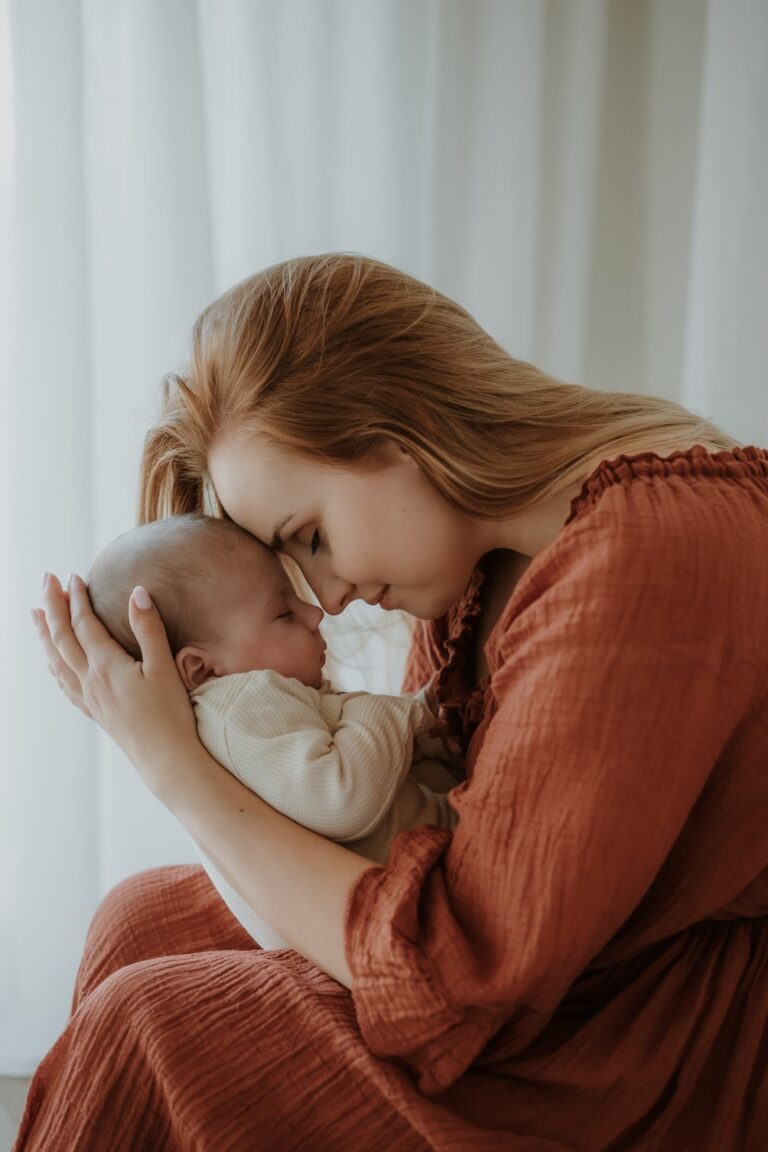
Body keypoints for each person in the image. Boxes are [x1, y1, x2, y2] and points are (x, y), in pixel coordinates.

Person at [23, 252, 767, 1151]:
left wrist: (172, 765)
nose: (329, 598)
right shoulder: (471, 573)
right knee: (140, 917)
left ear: (400, 427)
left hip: (654, 1032)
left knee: (146, 1027)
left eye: (314, 537)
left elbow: (455, 980)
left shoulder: (642, 558)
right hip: (564, 963)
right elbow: (431, 832)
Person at [86, 512, 457, 948]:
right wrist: (395, 714)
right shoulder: (243, 704)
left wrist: (420, 721)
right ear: (201, 668)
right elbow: (340, 795)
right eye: (284, 612)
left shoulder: (240, 714)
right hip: (391, 928)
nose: (315, 613)